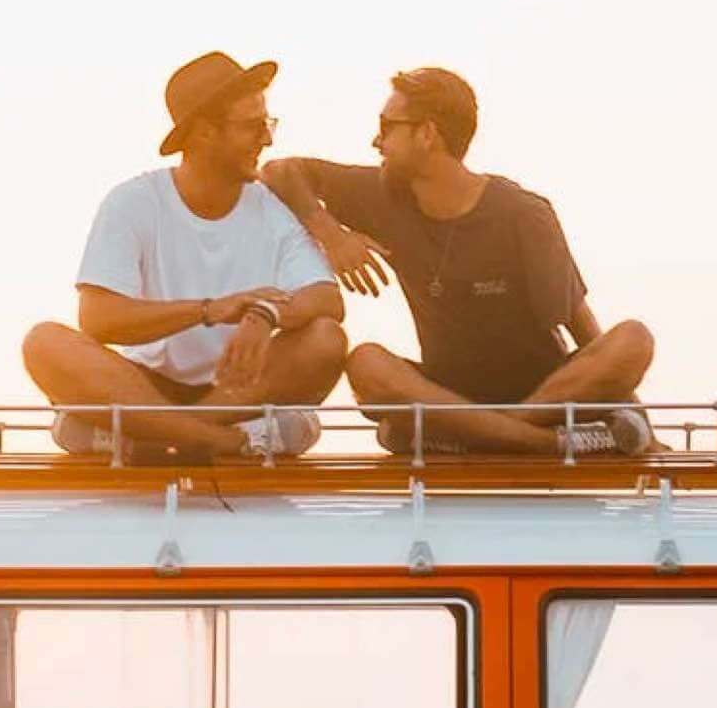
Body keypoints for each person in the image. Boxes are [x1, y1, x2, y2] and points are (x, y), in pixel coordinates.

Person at [262, 68, 655, 457]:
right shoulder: (382, 193)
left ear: (427, 134)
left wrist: (630, 402)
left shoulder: (523, 213)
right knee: (366, 363)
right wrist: (332, 236)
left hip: (544, 393)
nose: (376, 140)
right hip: (448, 393)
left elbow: (577, 320)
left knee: (633, 339)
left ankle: (474, 437)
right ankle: (542, 444)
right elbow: (281, 171)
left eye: (387, 126)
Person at [21, 52, 346, 463]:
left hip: (238, 391)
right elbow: (99, 319)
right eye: (253, 126)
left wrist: (266, 313)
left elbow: (327, 301)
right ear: (203, 133)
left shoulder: (274, 208)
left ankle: (168, 434)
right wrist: (208, 310)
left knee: (325, 339)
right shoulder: (133, 202)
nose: (267, 138)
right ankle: (213, 438)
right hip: (142, 387)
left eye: (268, 123)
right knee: (44, 342)